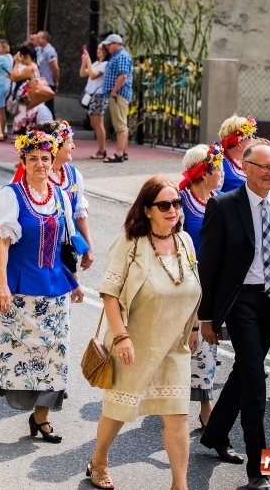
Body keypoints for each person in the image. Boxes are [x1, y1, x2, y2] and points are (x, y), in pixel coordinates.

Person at [0, 129, 82, 443]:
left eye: (45, 158)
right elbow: (2, 243)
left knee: (55, 352)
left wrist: (76, 282)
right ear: (23, 162)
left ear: (52, 161)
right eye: (33, 159)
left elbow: (66, 244)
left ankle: (41, 417)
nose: (40, 164)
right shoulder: (11, 195)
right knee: (5, 348)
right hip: (15, 286)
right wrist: (1, 286)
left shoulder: (60, 197)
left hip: (54, 286)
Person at [198, 140, 270, 490]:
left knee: (246, 370)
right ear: (246, 168)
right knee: (256, 381)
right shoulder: (224, 205)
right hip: (240, 300)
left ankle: (215, 433)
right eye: (265, 167)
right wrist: (207, 317)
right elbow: (208, 265)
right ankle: (258, 470)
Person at [87, 176, 200, 490]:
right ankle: (99, 461)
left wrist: (193, 326)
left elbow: (192, 288)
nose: (172, 210)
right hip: (134, 344)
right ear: (147, 210)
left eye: (176, 203)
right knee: (119, 410)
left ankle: (180, 485)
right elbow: (109, 293)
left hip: (174, 346)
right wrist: (121, 337)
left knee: (177, 415)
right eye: (164, 205)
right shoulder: (130, 242)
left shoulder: (185, 242)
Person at [178, 142, 224, 428]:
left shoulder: (220, 200)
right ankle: (172, 400)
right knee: (179, 344)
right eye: (217, 168)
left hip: (211, 284)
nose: (222, 172)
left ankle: (206, 406)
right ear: (204, 173)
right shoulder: (180, 202)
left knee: (207, 345)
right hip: (182, 284)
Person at [41, 120, 94, 270]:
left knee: (71, 283)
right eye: (69, 142)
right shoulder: (38, 176)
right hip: (41, 247)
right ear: (56, 146)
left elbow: (79, 213)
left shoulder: (73, 174)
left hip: (66, 248)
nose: (73, 146)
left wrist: (89, 246)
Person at [100, 34, 133, 164]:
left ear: (116, 44)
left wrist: (114, 91)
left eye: (109, 45)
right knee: (122, 124)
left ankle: (119, 154)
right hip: (118, 95)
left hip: (118, 95)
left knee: (120, 126)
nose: (107, 47)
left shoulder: (121, 56)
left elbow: (123, 76)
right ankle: (123, 152)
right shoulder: (118, 56)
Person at [80, 43, 110, 159]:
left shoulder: (105, 64)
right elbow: (83, 73)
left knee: (98, 123)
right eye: (98, 48)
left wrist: (88, 61)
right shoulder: (96, 63)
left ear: (106, 51)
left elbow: (93, 75)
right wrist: (84, 62)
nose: (98, 51)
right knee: (93, 122)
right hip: (92, 95)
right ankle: (100, 149)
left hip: (99, 95)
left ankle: (102, 150)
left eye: (101, 49)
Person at [218, 114, 257, 193]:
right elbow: (213, 195)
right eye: (250, 136)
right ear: (239, 142)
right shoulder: (219, 165)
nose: (254, 140)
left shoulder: (246, 161)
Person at [8, 44, 40, 134]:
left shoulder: (30, 68)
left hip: (26, 102)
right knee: (27, 126)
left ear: (26, 56)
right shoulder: (34, 66)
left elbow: (14, 77)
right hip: (29, 100)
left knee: (22, 125)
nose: (20, 58)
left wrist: (17, 63)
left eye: (21, 56)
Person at [35, 31, 59, 117]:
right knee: (43, 107)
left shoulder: (50, 51)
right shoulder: (40, 50)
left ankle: (52, 124)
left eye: (38, 38)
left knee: (48, 107)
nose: (36, 40)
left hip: (48, 83)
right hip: (41, 83)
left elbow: (55, 68)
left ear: (45, 39)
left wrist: (56, 81)